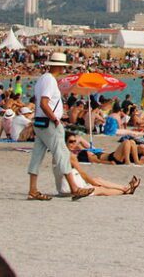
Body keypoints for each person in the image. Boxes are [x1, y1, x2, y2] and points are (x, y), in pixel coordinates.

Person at [26, 52, 94, 201]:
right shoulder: (50, 80)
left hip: (39, 122)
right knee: (62, 154)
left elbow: (42, 103)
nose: (64, 69)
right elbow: (45, 103)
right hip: (48, 123)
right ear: (59, 66)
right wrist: (55, 119)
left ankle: (33, 189)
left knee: (37, 156)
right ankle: (74, 188)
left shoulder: (42, 79)